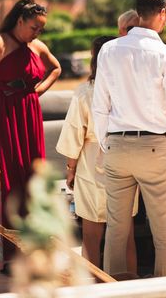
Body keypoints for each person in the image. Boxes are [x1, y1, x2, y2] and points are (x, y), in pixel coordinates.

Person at [93, 0, 166, 277]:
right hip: (155, 148)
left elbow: (100, 106)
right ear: (161, 14)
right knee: (164, 235)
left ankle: (115, 292)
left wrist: (107, 144)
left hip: (118, 147)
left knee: (117, 233)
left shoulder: (109, 50)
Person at [0, 0, 61, 264]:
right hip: (5, 116)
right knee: (12, 180)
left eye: (41, 29)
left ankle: (36, 247)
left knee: (33, 177)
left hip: (30, 114)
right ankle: (14, 256)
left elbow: (56, 68)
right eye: (34, 27)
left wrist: (37, 91)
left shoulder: (36, 46)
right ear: (20, 21)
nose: (37, 33)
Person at [55, 35, 139, 272]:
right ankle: (130, 286)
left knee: (92, 235)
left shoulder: (85, 92)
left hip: (92, 162)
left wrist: (70, 170)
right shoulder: (132, 91)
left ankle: (94, 291)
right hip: (125, 158)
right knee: (126, 234)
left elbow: (74, 135)